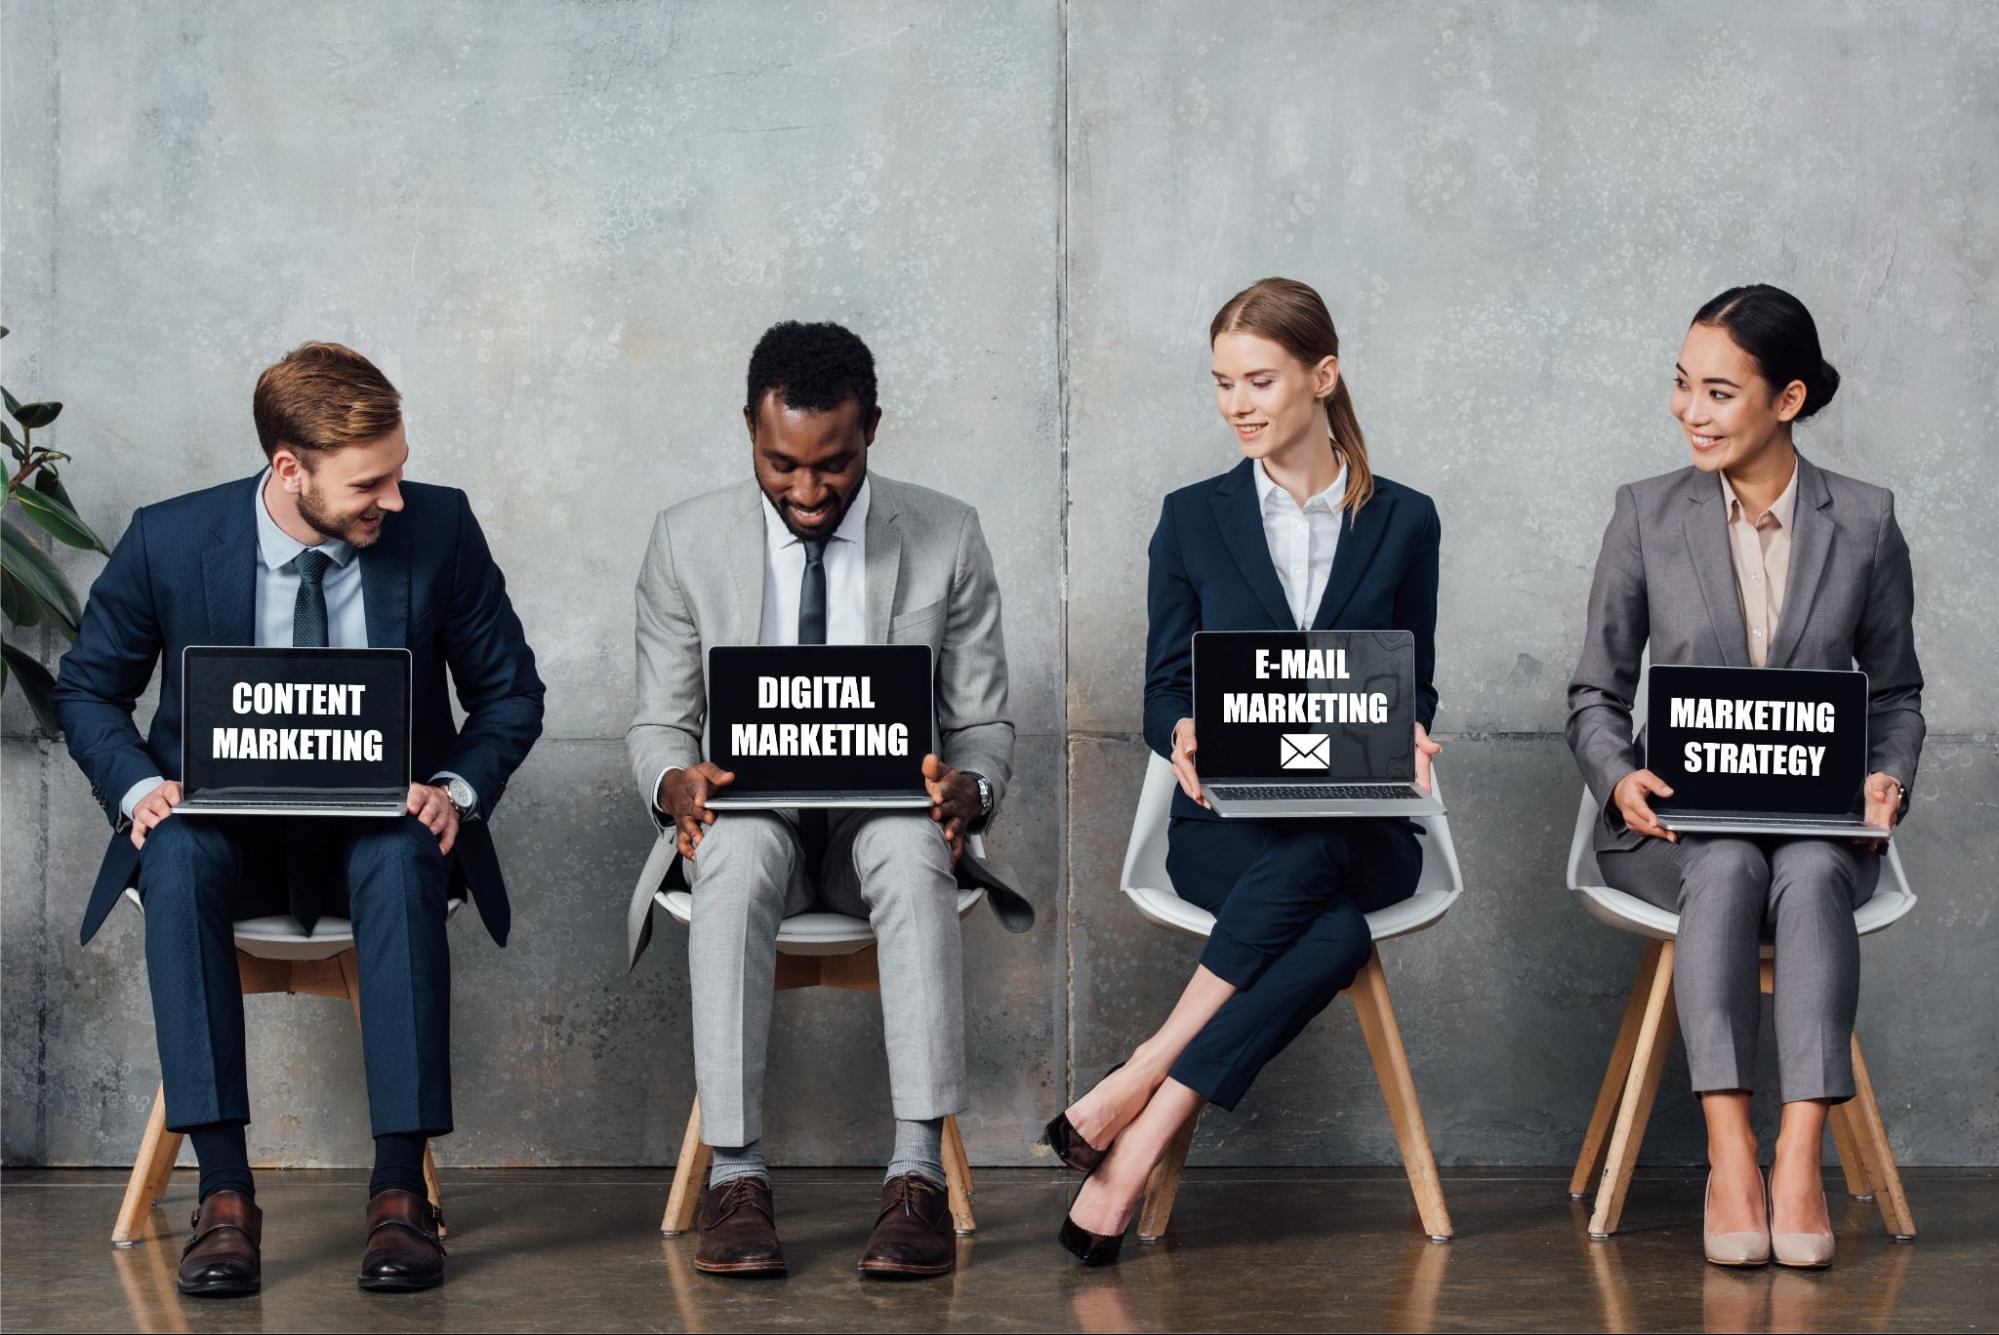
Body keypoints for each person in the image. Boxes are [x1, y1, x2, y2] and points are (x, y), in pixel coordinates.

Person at [53, 342, 545, 1295]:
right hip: (230, 837)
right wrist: (135, 789)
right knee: (178, 849)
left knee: (406, 853)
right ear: (290, 468)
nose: (393, 499)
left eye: (398, 473)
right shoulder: (169, 539)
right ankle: (226, 1195)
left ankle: (401, 1192)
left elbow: (510, 695)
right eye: (371, 483)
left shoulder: (440, 529)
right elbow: (86, 689)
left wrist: (456, 788)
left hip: (377, 832)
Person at [1046, 277, 1443, 1265]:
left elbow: (1414, 682)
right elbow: (1163, 686)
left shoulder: (1405, 520)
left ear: (1322, 375)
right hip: (1228, 830)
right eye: (1222, 384)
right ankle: (1134, 1143)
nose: (1238, 405)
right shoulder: (1191, 518)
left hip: (1365, 825)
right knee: (1333, 930)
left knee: (1323, 847)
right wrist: (1178, 732)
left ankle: (1141, 1080)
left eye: (1258, 380)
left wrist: (1411, 733)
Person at [623, 320, 1028, 1279]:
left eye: (833, 466)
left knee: (906, 842)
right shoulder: (685, 540)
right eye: (780, 466)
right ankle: (736, 1175)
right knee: (731, 843)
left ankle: (915, 1175)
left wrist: (969, 788)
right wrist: (673, 780)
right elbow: (659, 722)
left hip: (879, 819)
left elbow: (981, 727)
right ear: (750, 435)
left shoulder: (945, 534)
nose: (807, 491)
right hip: (748, 813)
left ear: (872, 429)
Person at [1567, 284, 1923, 1268]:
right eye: (1682, 386)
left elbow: (1894, 695)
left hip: (1816, 821)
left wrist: (1886, 779)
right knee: (1724, 865)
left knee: (1807, 872)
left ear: (1787, 398)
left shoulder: (1862, 520)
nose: (1690, 410)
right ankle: (1731, 1156)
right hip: (1677, 825)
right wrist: (1617, 777)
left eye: (1719, 392)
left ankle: (1797, 1159)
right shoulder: (1644, 513)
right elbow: (1595, 690)